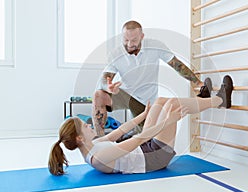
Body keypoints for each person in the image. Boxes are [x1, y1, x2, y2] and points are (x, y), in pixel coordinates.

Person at [48, 75, 233, 175]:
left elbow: (119, 132)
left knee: (161, 101)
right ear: (79, 138)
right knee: (172, 106)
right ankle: (219, 100)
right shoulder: (99, 157)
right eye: (85, 126)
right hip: (155, 158)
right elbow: (139, 139)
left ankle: (202, 100)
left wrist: (143, 116)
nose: (89, 125)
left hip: (146, 148)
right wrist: (167, 121)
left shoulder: (92, 146)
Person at [93, 20, 207, 136]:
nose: (129, 44)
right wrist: (108, 87)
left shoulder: (155, 46)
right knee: (98, 95)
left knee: (145, 137)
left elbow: (177, 65)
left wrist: (198, 83)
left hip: (147, 101)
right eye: (126, 40)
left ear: (142, 37)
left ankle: (132, 133)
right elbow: (105, 78)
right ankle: (99, 139)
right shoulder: (115, 54)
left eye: (134, 40)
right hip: (127, 95)